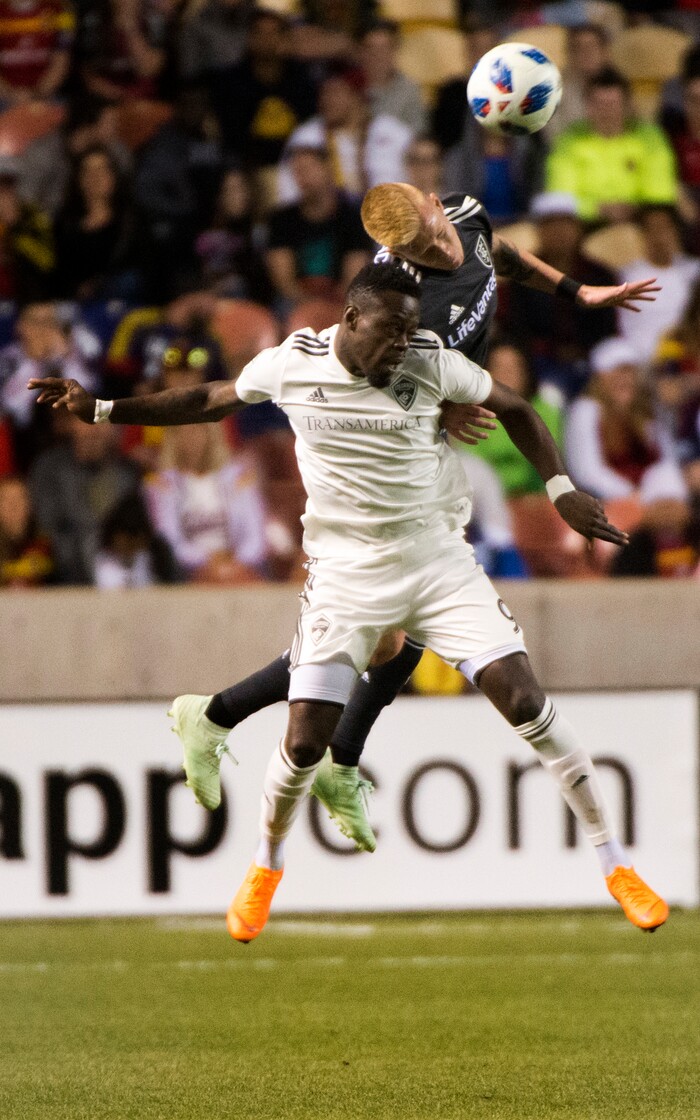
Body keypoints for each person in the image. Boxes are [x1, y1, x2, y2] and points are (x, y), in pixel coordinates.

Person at [30, 262, 668, 941]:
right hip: (346, 573)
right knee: (304, 740)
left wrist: (560, 487)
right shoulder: (294, 362)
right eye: (392, 331)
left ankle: (615, 864)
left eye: (411, 331)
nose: (403, 343)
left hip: (437, 563)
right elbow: (211, 399)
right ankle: (265, 864)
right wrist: (100, 408)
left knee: (527, 703)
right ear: (352, 319)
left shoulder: (428, 361)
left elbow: (512, 406)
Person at [154, 182, 659, 855]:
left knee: (394, 636)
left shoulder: (463, 213)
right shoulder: (405, 298)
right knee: (392, 624)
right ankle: (299, 749)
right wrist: (433, 402)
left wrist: (574, 292)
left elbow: (497, 252)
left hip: (437, 434)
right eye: (412, 246)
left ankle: (242, 725)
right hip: (391, 457)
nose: (431, 240)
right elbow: (377, 367)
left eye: (430, 227)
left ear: (431, 202)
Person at [546, 68, 678, 224]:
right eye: (599, 104)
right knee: (558, 225)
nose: (606, 112)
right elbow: (560, 197)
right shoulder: (570, 141)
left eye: (613, 104)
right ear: (587, 107)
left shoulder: (649, 138)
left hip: (640, 217)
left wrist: (633, 208)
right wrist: (596, 209)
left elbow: (661, 191)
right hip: (584, 221)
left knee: (659, 219)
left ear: (628, 106)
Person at [566, 337, 686, 502]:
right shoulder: (586, 410)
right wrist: (634, 497)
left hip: (653, 498)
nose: (624, 378)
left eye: (629, 371)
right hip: (610, 503)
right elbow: (587, 472)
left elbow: (667, 460)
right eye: (616, 372)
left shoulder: (649, 409)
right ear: (600, 378)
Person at [265, 145, 371, 310]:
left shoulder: (352, 217)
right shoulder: (281, 220)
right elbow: (283, 280)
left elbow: (354, 275)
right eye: (297, 171)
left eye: (308, 169)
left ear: (328, 169)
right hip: (296, 302)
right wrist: (311, 306)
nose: (302, 177)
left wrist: (330, 306)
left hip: (341, 300)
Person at [618, 205, 700, 365]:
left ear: (676, 231)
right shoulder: (626, 275)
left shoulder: (694, 272)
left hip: (684, 361)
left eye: (664, 228)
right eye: (651, 229)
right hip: (637, 361)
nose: (658, 235)